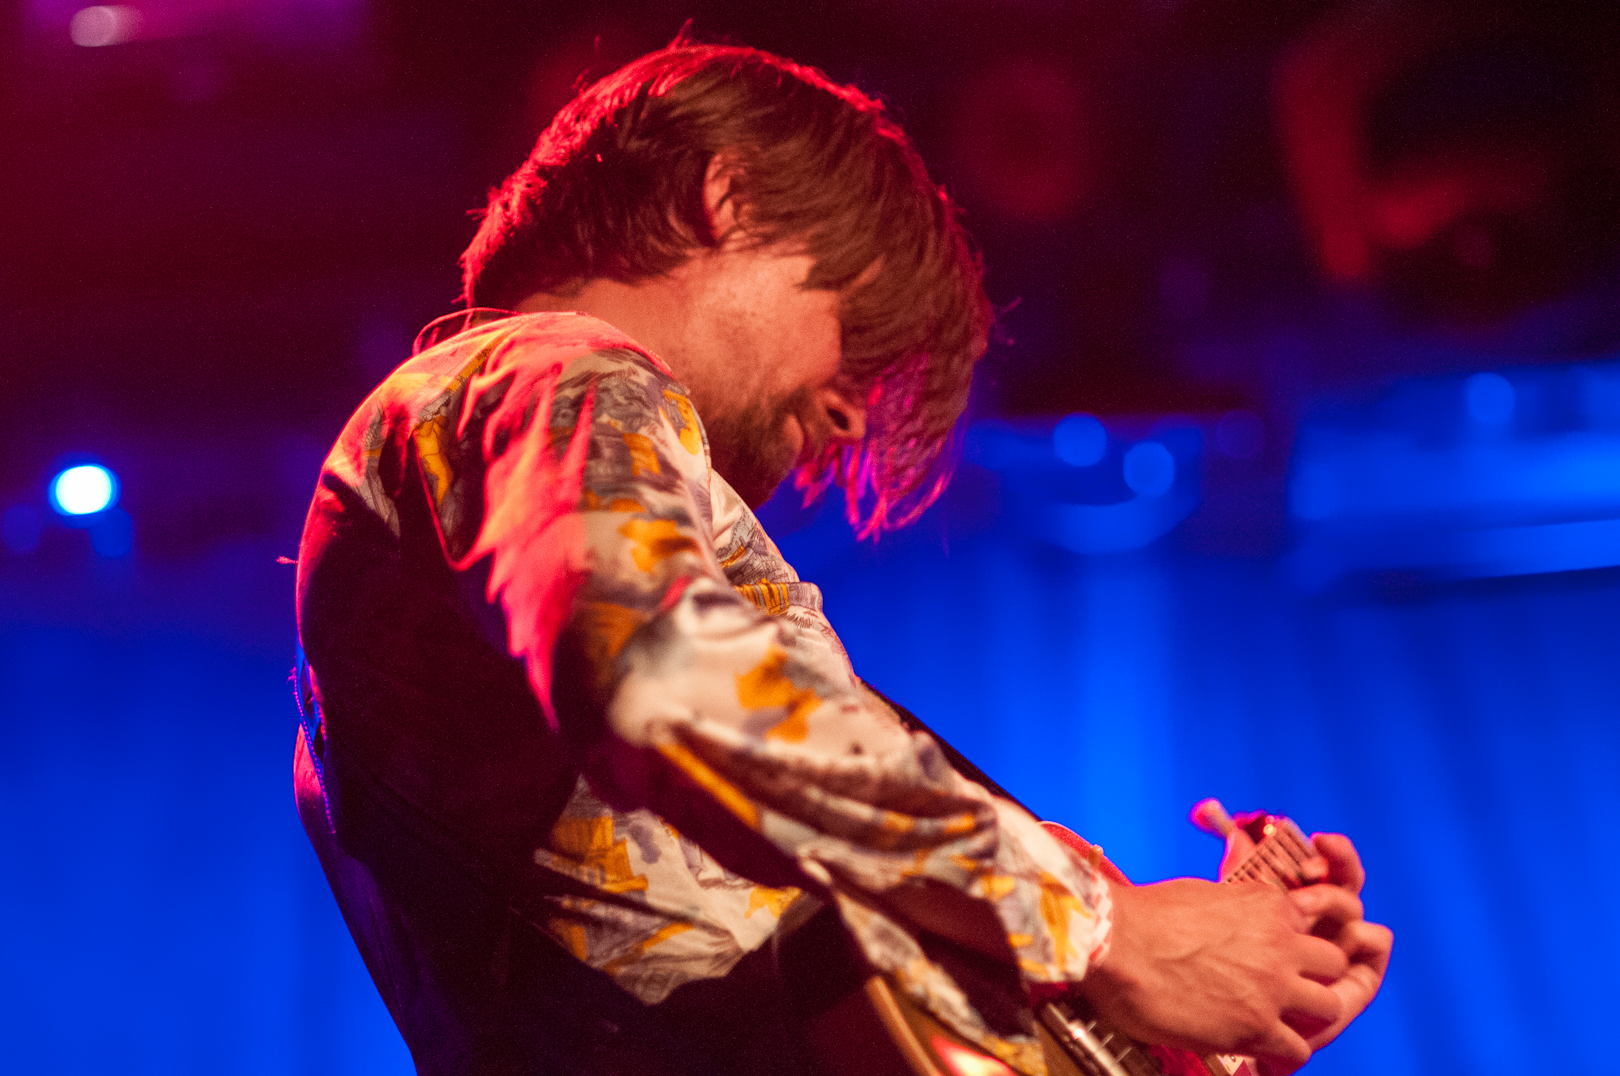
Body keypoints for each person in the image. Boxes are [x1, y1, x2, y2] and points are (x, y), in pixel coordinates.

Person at [292, 39, 1391, 1076]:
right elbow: (667, 677)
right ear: (724, 200)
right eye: (859, 334)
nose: (854, 410)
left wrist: (1227, 1004)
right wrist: (1107, 931)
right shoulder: (538, 375)